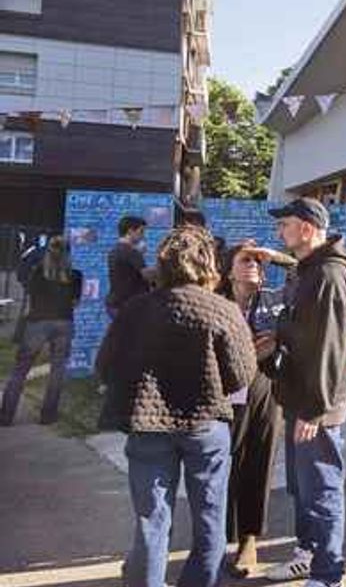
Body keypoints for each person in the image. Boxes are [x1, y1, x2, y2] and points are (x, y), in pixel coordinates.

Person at [95, 226, 257, 587]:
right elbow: (243, 374)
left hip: (149, 425)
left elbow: (105, 364)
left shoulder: (136, 309)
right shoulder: (223, 310)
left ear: (163, 265)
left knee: (151, 520)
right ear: (209, 264)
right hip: (206, 425)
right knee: (209, 518)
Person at [265, 198, 346, 587]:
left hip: (315, 405)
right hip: (300, 397)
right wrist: (279, 335)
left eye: (284, 225)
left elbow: (329, 348)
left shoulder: (329, 276)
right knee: (302, 488)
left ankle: (327, 573)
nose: (279, 233)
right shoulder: (309, 269)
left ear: (306, 228)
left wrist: (314, 410)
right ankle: (308, 554)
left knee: (321, 490)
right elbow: (303, 330)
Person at [219, 241, 294, 577]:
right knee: (221, 464)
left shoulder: (275, 301)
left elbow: (304, 276)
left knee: (259, 461)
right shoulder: (217, 302)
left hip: (265, 387)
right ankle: (216, 537)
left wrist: (276, 257)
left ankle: (249, 539)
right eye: (245, 259)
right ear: (228, 268)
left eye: (257, 262)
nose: (253, 264)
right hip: (221, 391)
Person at [1, 236, 83, 426]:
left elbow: (29, 292)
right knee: (57, 370)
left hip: (38, 321)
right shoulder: (76, 275)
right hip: (64, 322)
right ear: (69, 253)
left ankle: (6, 416)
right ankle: (48, 416)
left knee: (20, 370)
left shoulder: (37, 272)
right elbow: (75, 302)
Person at [106, 215, 153, 318]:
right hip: (129, 305)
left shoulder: (115, 250)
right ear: (131, 231)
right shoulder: (131, 252)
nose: (143, 236)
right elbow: (147, 275)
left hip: (116, 303)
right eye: (141, 232)